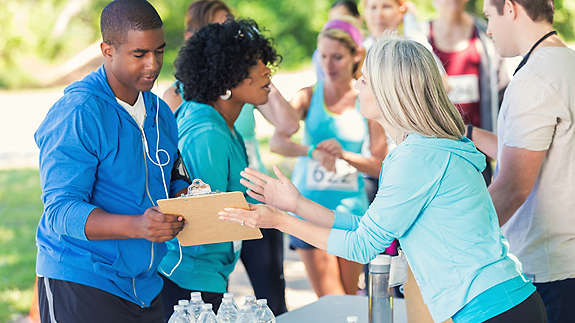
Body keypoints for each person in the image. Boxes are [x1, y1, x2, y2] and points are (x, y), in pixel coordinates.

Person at [219, 37, 548, 323]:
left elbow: (363, 245)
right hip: (501, 304)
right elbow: (368, 227)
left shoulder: (417, 157)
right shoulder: (421, 149)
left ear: (390, 90)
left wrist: (280, 221)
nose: (357, 84)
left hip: (492, 309)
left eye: (365, 79)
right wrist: (295, 205)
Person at [33, 1, 189, 322]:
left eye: (159, 51)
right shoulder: (78, 113)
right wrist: (138, 226)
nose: (153, 64)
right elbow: (61, 211)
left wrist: (187, 195)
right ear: (107, 50)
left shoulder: (160, 112)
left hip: (145, 285)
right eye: (139, 54)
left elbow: (173, 174)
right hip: (81, 279)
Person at [161, 1, 298, 316]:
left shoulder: (221, 124)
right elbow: (200, 218)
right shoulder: (207, 132)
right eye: (256, 64)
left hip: (206, 276)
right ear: (227, 76)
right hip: (189, 282)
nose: (267, 71)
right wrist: (266, 214)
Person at [467, 0, 575, 322]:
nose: (488, 30)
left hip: (549, 270)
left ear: (511, 9)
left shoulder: (535, 78)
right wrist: (467, 132)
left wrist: (458, 236)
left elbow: (513, 186)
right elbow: (533, 152)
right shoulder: (566, 63)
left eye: (489, 16)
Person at [268, 18, 387, 297]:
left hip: (351, 213)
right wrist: (313, 151)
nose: (328, 65)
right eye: (323, 56)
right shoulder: (308, 96)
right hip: (308, 207)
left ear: (355, 56)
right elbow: (277, 142)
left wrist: (344, 155)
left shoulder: (366, 98)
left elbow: (381, 164)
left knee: (349, 299)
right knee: (331, 299)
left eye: (337, 57)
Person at [424, 0, 510, 185]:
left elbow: (504, 96)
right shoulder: (420, 38)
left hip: (479, 158)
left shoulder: (486, 34)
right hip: (433, 157)